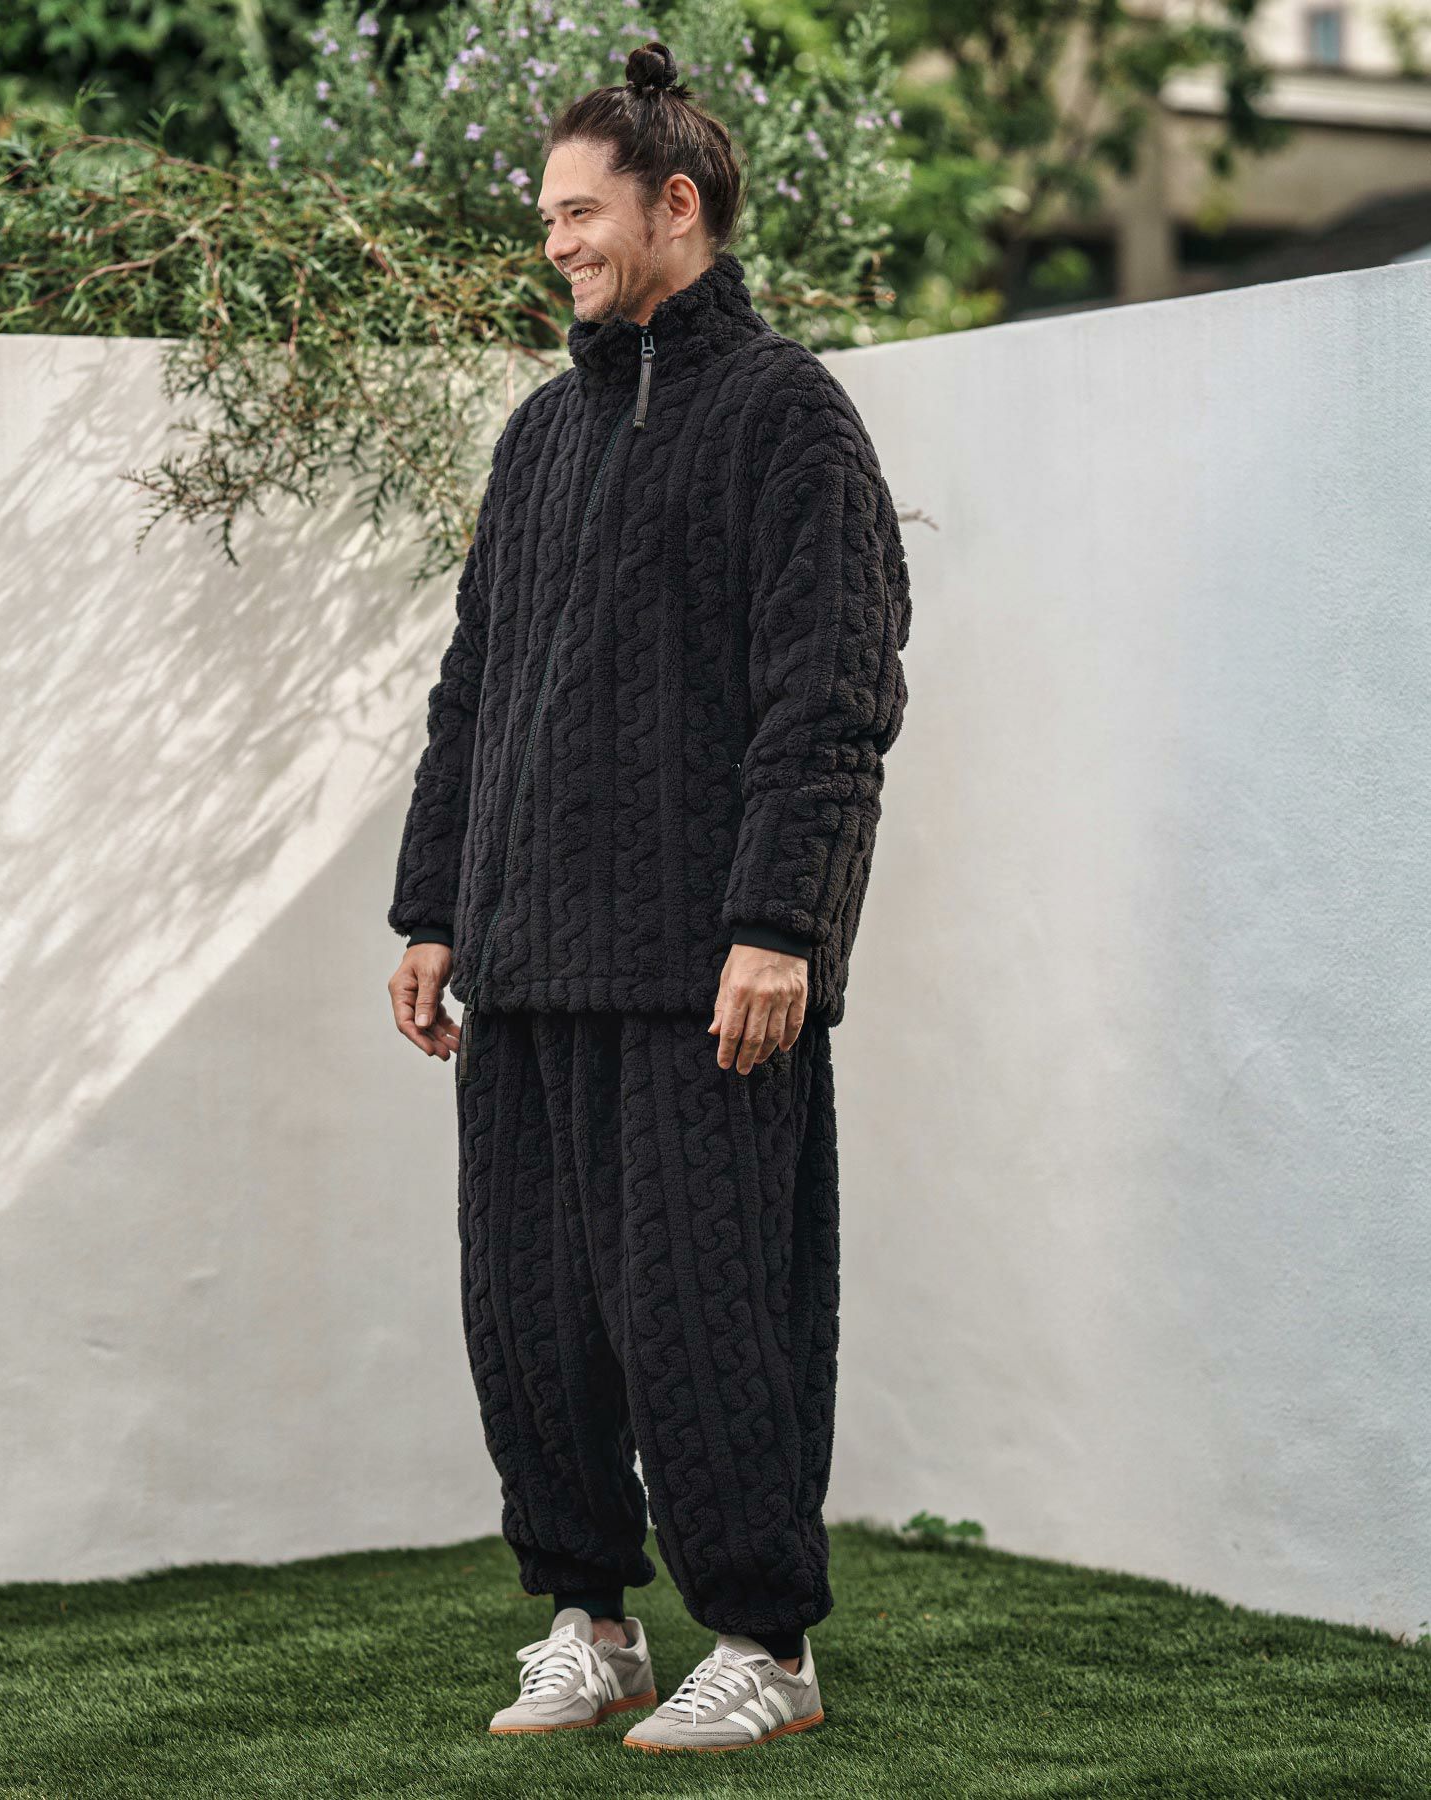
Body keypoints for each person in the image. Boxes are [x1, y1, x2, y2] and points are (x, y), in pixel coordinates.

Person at [386, 38, 911, 1756]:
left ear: (675, 206)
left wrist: (784, 924)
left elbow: (831, 694)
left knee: (708, 1318)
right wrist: (432, 909)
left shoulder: (788, 415)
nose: (553, 242)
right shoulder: (539, 437)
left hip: (701, 972)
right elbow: (475, 691)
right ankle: (590, 1624)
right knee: (531, 1323)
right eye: (547, 216)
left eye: (577, 212)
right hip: (527, 963)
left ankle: (765, 1643)